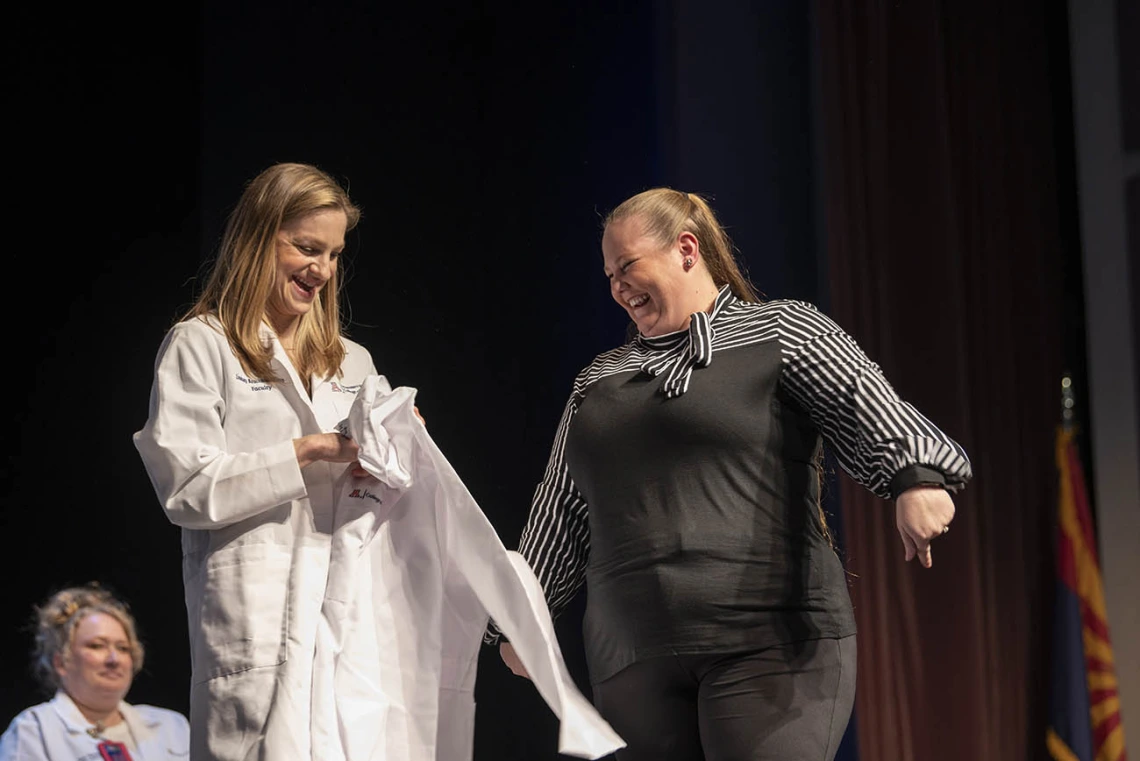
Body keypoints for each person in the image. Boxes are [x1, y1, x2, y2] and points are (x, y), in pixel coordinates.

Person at [491, 187, 973, 761]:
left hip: (769, 647)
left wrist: (915, 477)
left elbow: (864, 402)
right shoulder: (599, 379)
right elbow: (562, 508)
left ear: (686, 250)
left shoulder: (782, 331)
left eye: (628, 265)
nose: (617, 285)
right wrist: (520, 617)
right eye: (609, 274)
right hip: (631, 659)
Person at [132, 162, 380, 760]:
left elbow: (385, 489)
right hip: (253, 624)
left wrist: (401, 448)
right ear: (256, 238)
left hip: (345, 616)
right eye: (306, 247)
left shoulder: (354, 362)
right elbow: (187, 488)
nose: (321, 269)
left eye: (334, 254)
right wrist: (310, 450)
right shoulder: (201, 344)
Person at [0, 583, 190, 760]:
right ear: (61, 662)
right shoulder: (33, 731)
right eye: (97, 646)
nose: (114, 659)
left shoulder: (172, 727)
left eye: (123, 648)